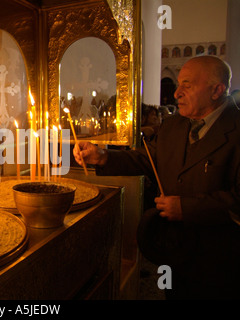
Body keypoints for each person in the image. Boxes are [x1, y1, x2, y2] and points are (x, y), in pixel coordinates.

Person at [73, 55, 240, 300]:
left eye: (187, 85)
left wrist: (187, 208)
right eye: (179, 84)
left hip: (219, 260)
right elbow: (146, 158)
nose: (176, 93)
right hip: (175, 248)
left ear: (217, 90)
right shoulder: (174, 126)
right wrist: (102, 156)